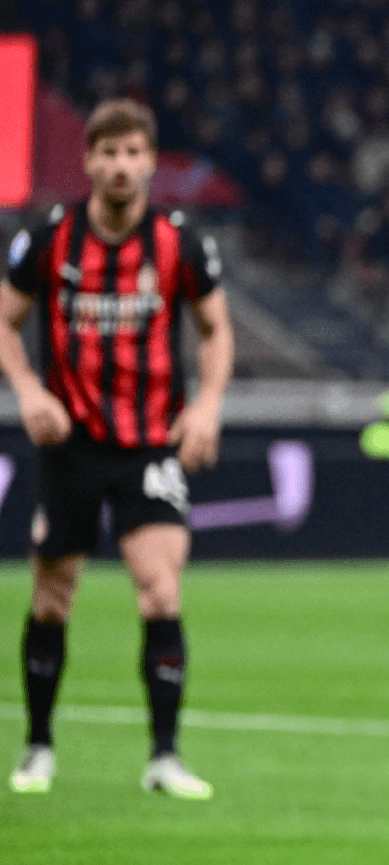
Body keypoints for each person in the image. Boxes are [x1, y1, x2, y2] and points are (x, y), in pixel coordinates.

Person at [2, 99, 231, 799]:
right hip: (69, 444)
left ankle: (164, 757)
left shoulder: (179, 242)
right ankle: (39, 746)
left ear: (150, 162)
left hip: (149, 445)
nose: (121, 166)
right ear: (89, 161)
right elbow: (6, 323)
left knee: (161, 589)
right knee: (53, 595)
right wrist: (29, 392)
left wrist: (206, 407)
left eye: (133, 152)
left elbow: (216, 329)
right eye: (108, 152)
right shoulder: (49, 237)